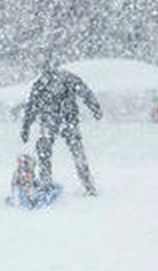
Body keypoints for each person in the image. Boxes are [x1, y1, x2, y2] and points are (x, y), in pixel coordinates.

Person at [20, 59, 102, 195]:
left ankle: (85, 185)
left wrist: (95, 107)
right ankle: (84, 184)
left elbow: (31, 108)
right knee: (66, 151)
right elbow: (31, 108)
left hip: (61, 120)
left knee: (64, 151)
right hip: (59, 120)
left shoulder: (54, 81)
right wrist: (25, 127)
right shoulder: (45, 83)